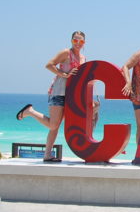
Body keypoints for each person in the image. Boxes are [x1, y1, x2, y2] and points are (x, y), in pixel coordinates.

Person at [16, 31, 87, 162]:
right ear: (71, 41)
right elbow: (49, 65)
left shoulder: (83, 58)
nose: (78, 43)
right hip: (58, 92)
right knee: (53, 125)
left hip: (71, 95)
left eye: (81, 41)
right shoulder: (66, 53)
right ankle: (30, 111)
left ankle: (47, 155)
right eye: (75, 40)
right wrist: (64, 74)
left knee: (56, 125)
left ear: (84, 43)